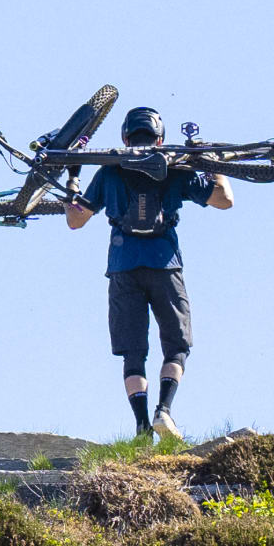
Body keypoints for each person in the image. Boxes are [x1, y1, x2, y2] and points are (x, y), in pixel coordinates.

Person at [63, 105, 230, 439]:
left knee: (133, 352)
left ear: (125, 138)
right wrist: (215, 166)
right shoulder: (175, 169)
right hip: (165, 264)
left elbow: (75, 220)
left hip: (123, 267)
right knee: (177, 345)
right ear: (160, 138)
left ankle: (141, 427)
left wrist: (72, 181)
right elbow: (224, 200)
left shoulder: (109, 172)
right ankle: (163, 411)